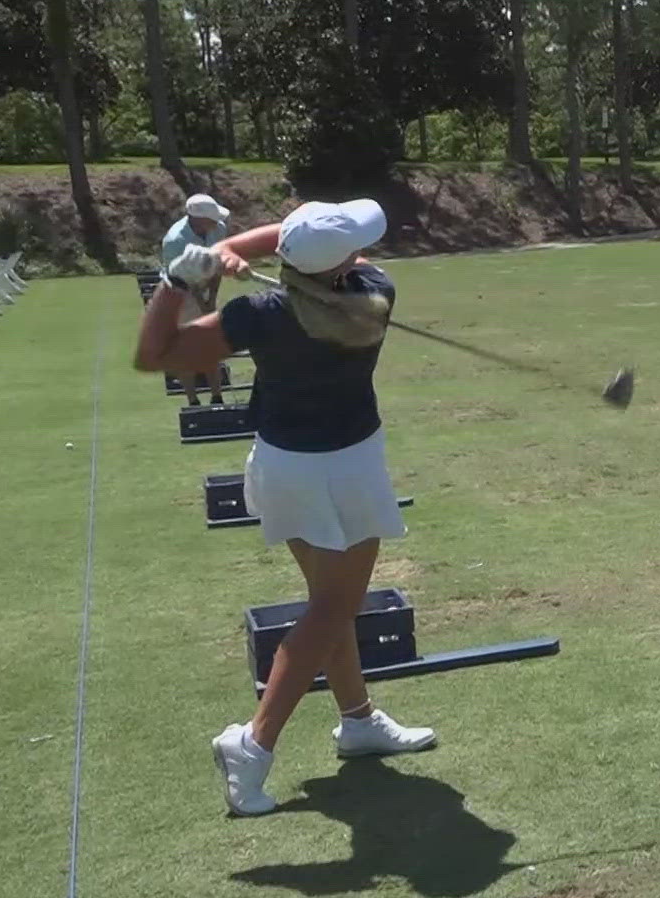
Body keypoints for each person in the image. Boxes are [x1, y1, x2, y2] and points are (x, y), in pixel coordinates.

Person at [134, 198, 436, 817]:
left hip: (282, 467)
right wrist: (237, 254)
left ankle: (357, 720)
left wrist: (180, 280)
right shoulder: (375, 290)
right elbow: (306, 248)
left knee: (331, 603)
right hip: (348, 467)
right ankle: (253, 743)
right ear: (342, 264)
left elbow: (153, 354)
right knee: (332, 606)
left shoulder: (257, 314)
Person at [160, 193, 234, 407]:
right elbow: (184, 277)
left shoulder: (218, 229)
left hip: (205, 284)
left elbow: (217, 265)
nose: (217, 222)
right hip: (179, 290)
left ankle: (217, 396)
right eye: (212, 218)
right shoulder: (175, 241)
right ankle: (193, 400)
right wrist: (203, 305)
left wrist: (212, 298)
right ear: (197, 219)